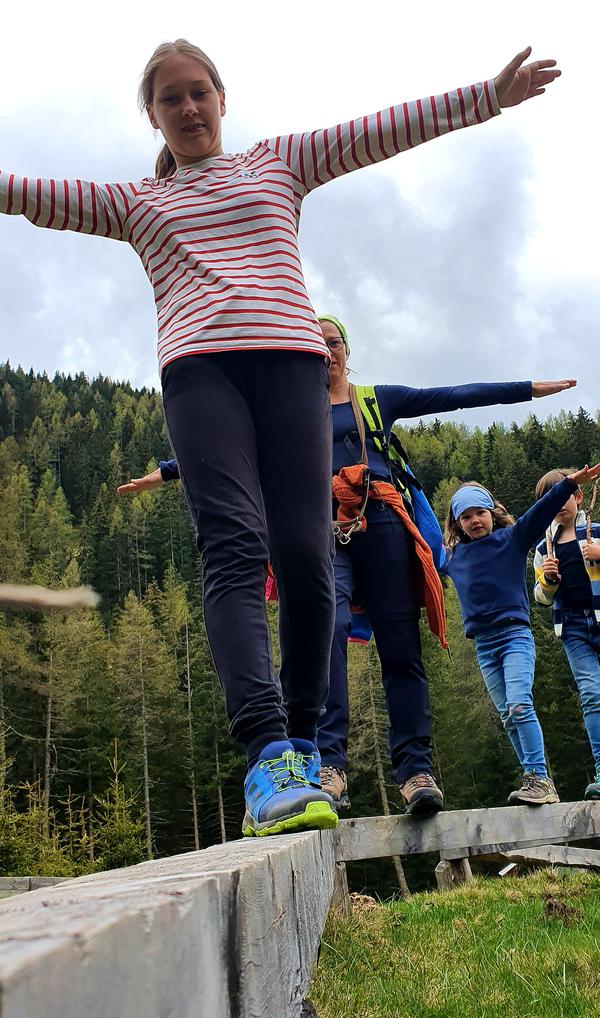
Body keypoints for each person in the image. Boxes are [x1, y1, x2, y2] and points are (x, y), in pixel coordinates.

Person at [3, 37, 560, 836]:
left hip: (292, 369)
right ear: (152, 116)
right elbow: (28, 194)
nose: (188, 108)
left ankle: (301, 744)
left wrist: (488, 97)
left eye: (199, 91)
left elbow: (379, 131)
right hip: (200, 374)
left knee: (305, 556)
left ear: (222, 98)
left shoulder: (278, 162)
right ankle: (266, 754)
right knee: (234, 547)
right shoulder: (135, 201)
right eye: (170, 98)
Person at [122, 313, 577, 816]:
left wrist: (527, 389)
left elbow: (451, 395)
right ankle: (329, 766)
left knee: (400, 644)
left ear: (346, 349)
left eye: (334, 342)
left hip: (382, 522)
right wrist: (168, 472)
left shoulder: (375, 401)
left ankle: (415, 770)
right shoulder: (291, 413)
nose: (327, 351)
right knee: (327, 631)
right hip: (324, 528)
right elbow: (240, 446)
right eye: (316, 344)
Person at [443, 464, 600, 805]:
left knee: (518, 704)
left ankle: (540, 777)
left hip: (515, 636)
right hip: (484, 645)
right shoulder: (453, 557)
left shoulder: (512, 539)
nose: (474, 520)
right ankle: (537, 780)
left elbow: (539, 512)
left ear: (492, 512)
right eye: (466, 517)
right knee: (507, 715)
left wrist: (568, 484)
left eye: (480, 512)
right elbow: (423, 536)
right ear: (457, 524)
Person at [533, 469, 600, 798]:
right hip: (572, 627)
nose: (559, 503)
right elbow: (541, 598)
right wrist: (548, 580)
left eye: (565, 495)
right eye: (551, 498)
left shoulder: (597, 532)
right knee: (592, 696)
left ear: (579, 496)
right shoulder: (543, 549)